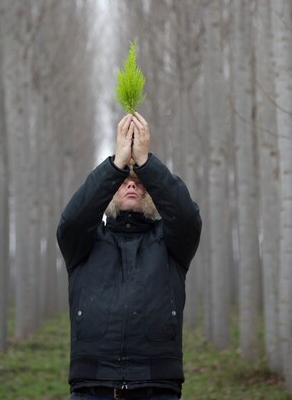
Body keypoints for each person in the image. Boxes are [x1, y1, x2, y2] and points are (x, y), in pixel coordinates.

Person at [57, 112, 202, 400]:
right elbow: (71, 222)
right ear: (111, 191)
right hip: (92, 387)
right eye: (124, 181)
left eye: (139, 182)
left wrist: (146, 162)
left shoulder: (169, 243)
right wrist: (117, 164)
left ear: (150, 194)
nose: (132, 184)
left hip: (157, 387)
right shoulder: (86, 242)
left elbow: (187, 218)